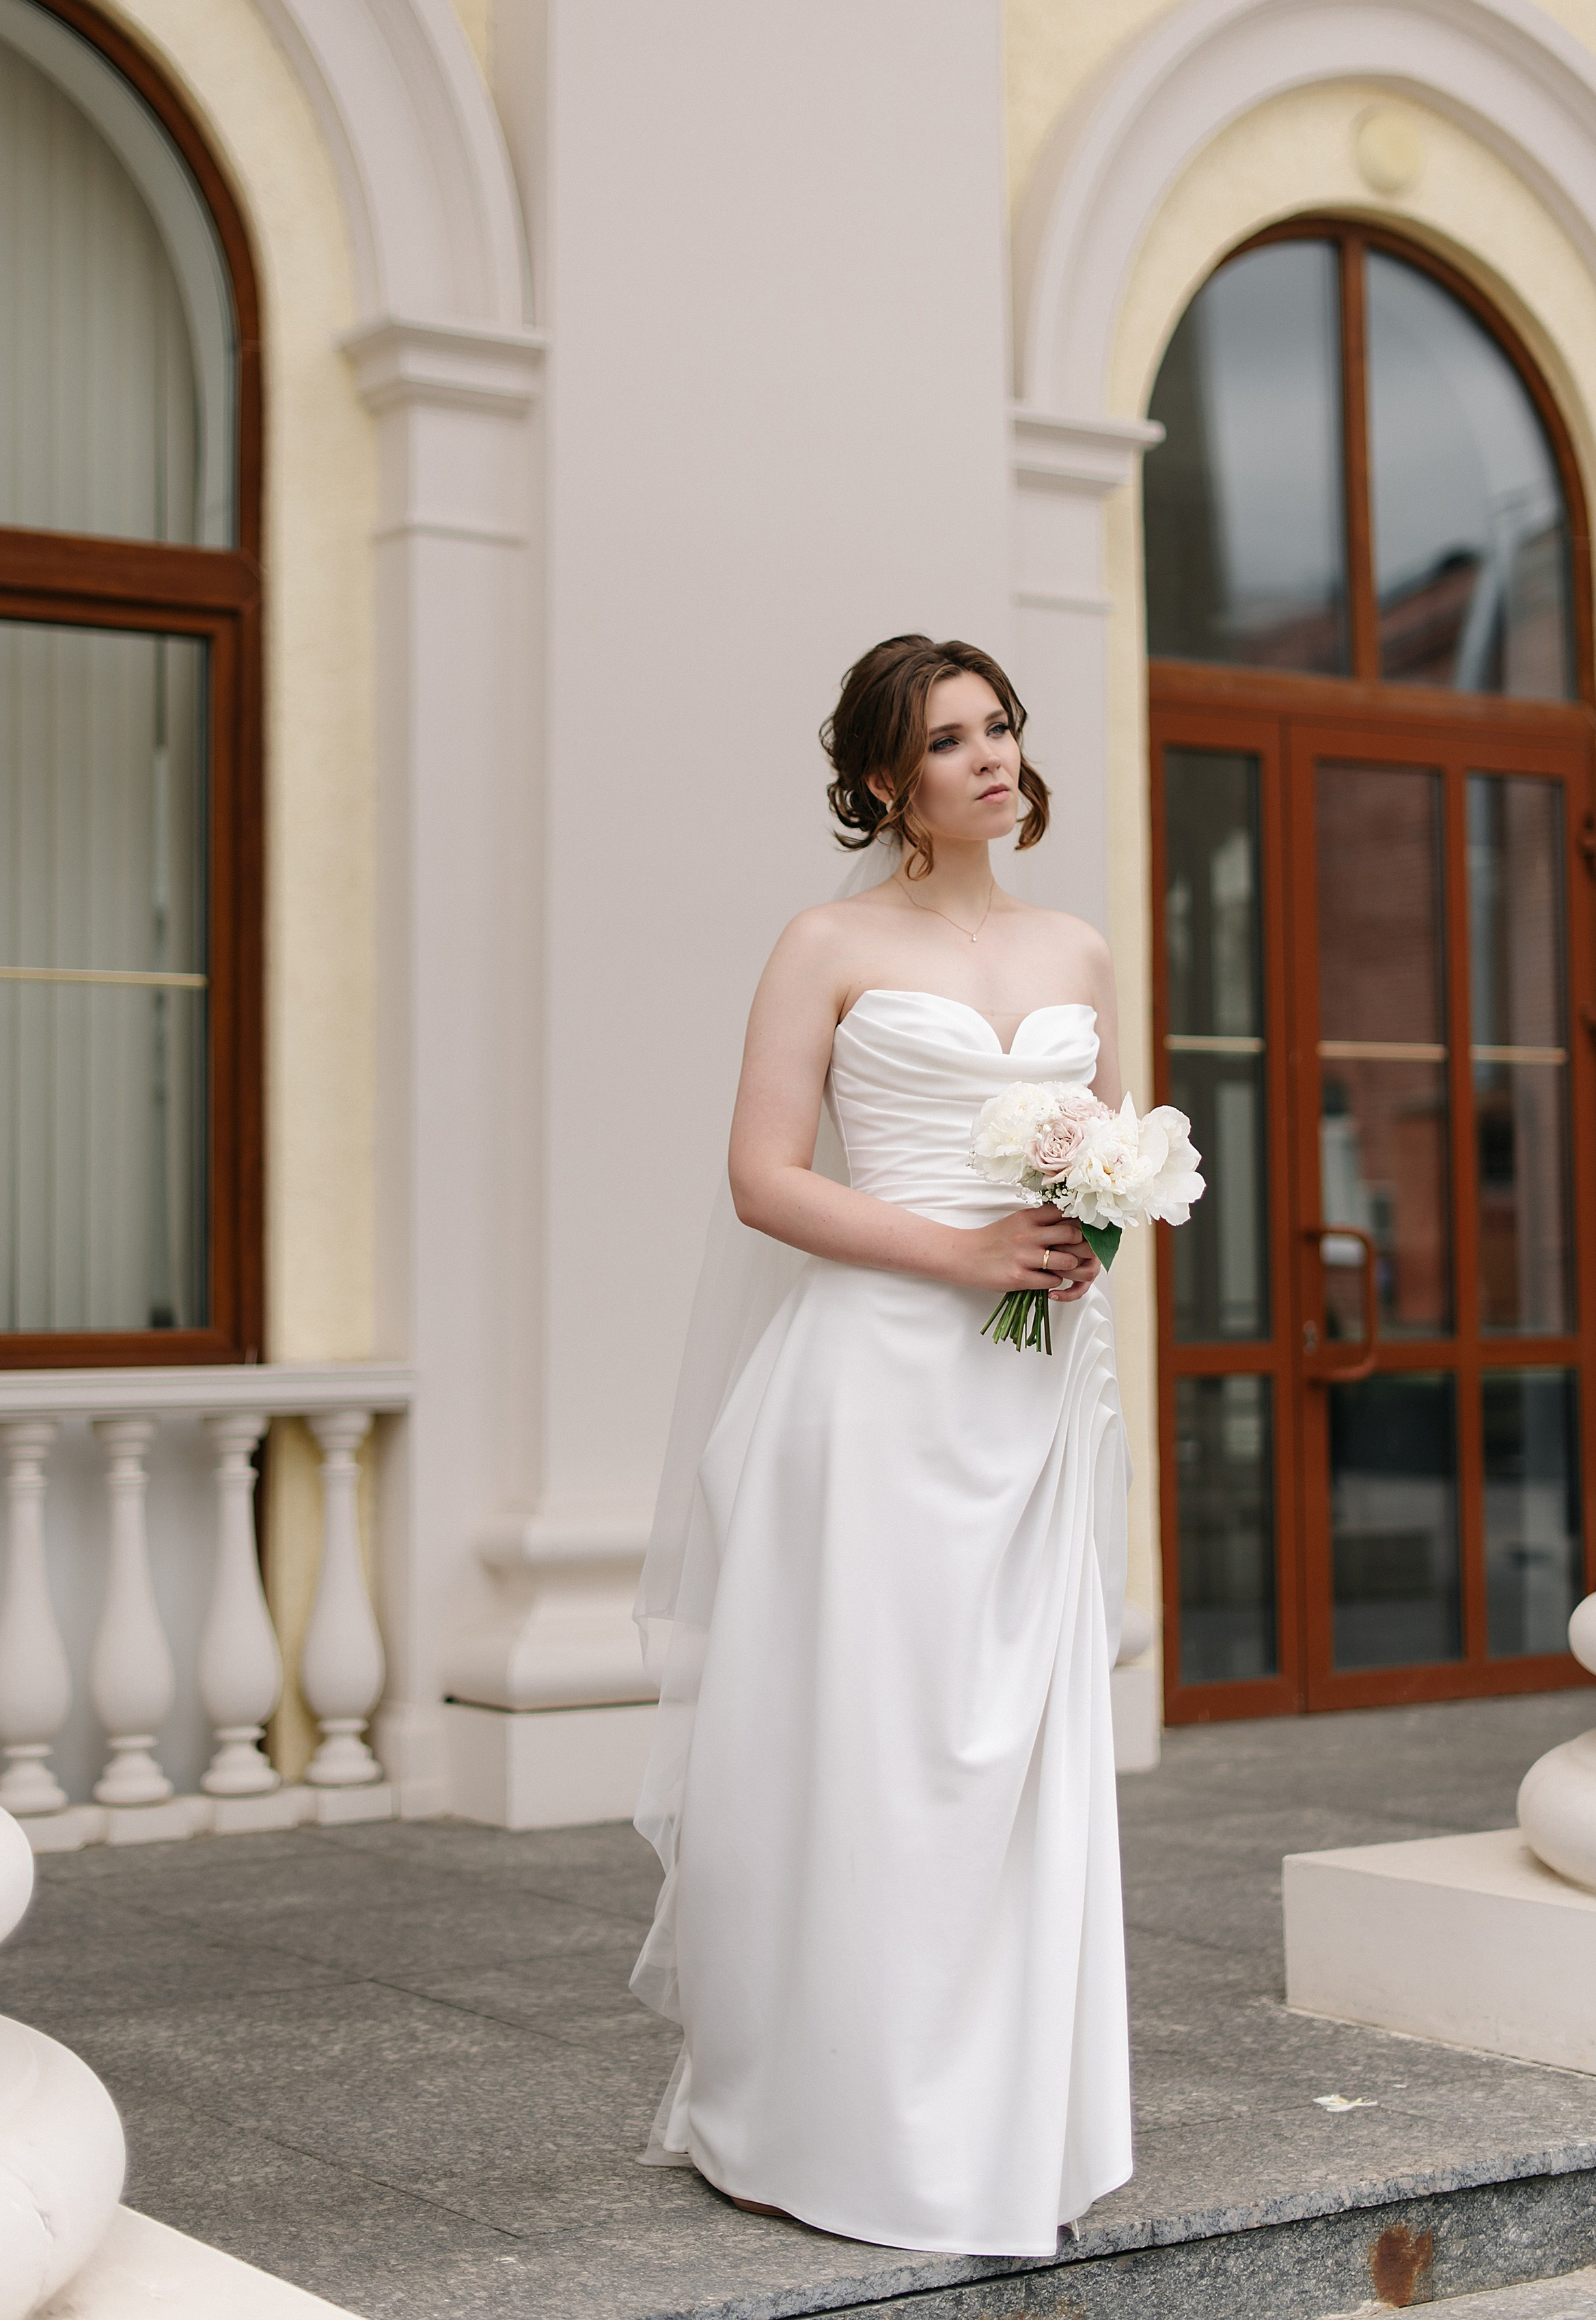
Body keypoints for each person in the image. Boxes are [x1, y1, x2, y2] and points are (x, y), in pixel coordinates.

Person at [630, 632, 1133, 2256]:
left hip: (1022, 1392)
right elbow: (763, 1179)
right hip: (866, 1394)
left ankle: (999, 2114)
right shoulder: (825, 942)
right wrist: (964, 1253)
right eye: (946, 741)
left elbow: (1106, 1158)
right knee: (864, 1748)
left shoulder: (1076, 949)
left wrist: (1083, 1231)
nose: (990, 759)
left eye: (1000, 728)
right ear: (879, 782)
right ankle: (817, 2115)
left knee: (1003, 1752)